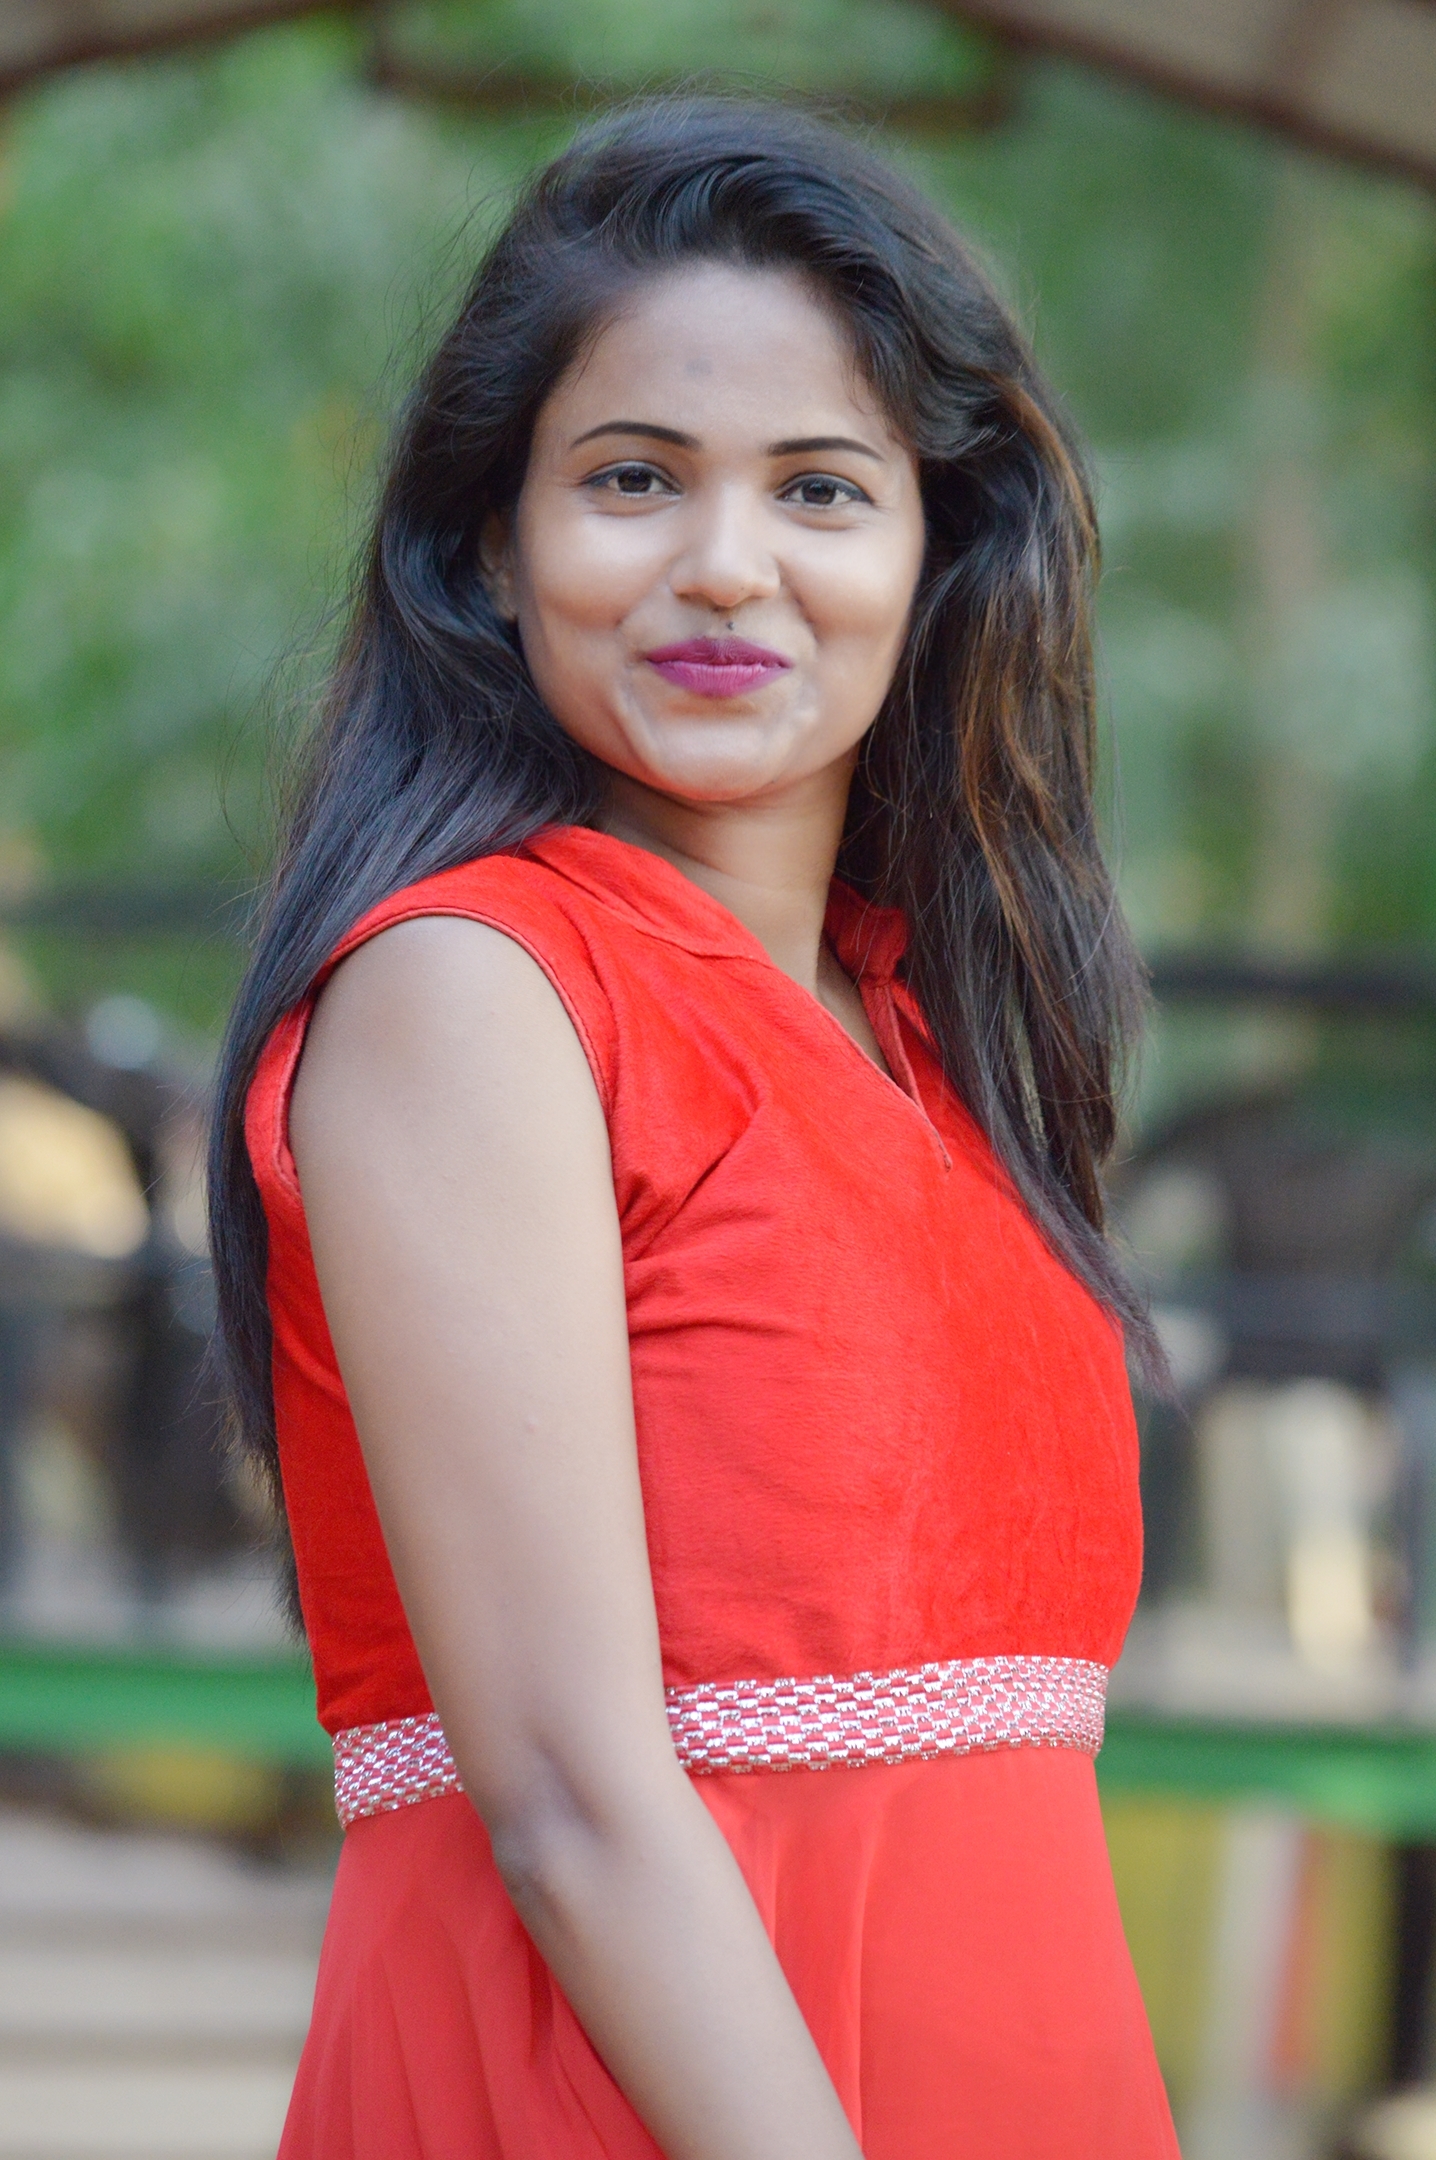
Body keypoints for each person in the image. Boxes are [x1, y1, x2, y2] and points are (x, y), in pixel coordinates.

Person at [209, 98, 1179, 2160]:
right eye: (632, 479)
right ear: (495, 542)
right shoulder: (474, 994)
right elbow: (567, 1798)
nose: (726, 567)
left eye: (821, 488)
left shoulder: (935, 1045)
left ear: (930, 554)